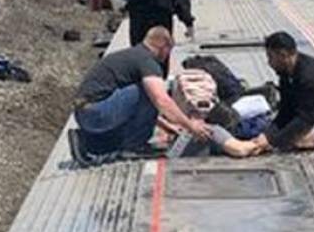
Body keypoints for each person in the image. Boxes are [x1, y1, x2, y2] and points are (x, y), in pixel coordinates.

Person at [72, 27, 212, 159]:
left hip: (86, 115)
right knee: (150, 91)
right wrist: (191, 126)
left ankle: (87, 142)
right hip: (97, 114)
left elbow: (137, 107)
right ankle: (134, 146)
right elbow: (161, 101)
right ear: (164, 47)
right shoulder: (147, 61)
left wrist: (169, 126)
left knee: (145, 94)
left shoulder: (134, 55)